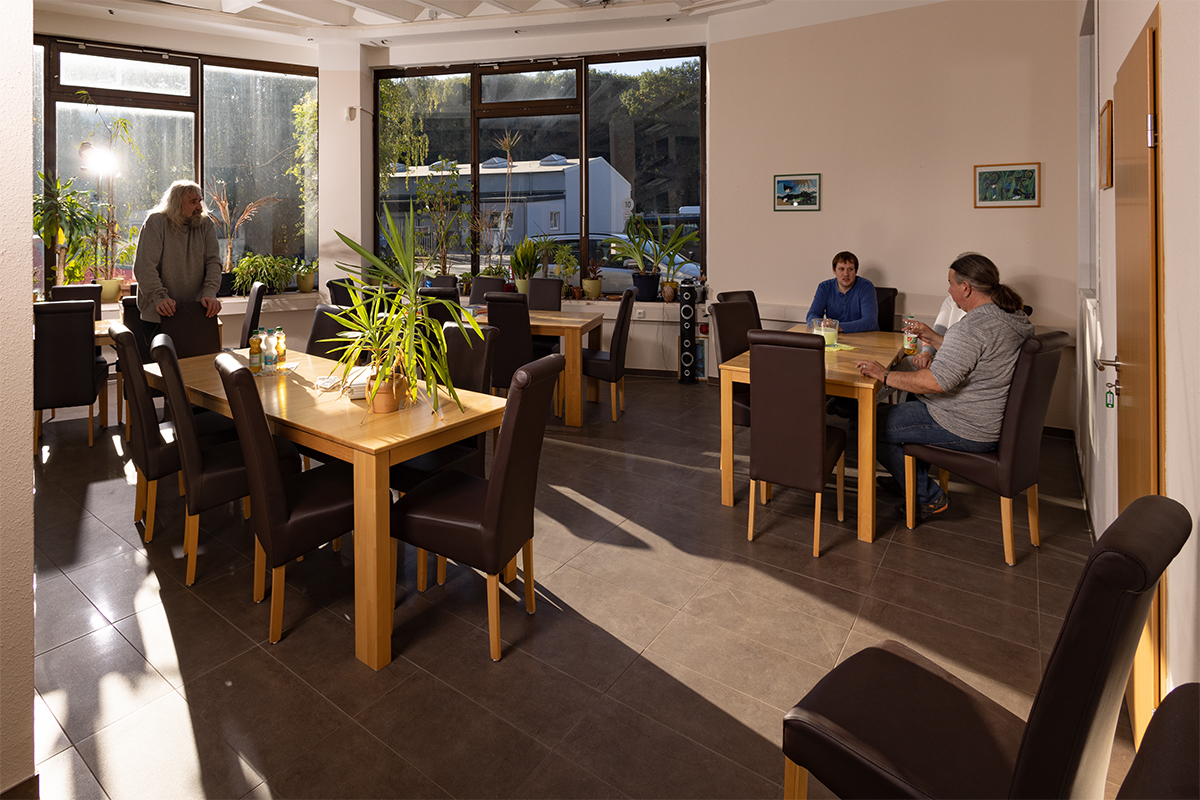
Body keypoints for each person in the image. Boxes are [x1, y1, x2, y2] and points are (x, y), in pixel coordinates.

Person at [856, 253, 1033, 517]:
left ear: (966, 288)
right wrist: (936, 339)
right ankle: (907, 479)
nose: (949, 290)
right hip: (988, 417)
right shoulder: (1011, 318)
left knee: (868, 423)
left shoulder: (972, 327)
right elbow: (979, 356)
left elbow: (935, 382)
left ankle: (928, 496)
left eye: (951, 284)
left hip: (967, 425)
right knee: (912, 399)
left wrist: (884, 375)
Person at [134, 180, 222, 335]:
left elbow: (213, 262)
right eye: (193, 202)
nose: (199, 207)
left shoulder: (205, 224)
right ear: (176, 204)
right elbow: (144, 267)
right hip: (159, 315)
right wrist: (159, 297)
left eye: (199, 201)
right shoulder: (156, 222)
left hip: (197, 311)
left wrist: (210, 293)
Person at [806, 251, 879, 333]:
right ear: (834, 270)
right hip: (834, 336)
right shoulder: (824, 287)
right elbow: (812, 315)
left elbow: (870, 322)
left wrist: (837, 327)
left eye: (850, 269)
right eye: (841, 269)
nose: (846, 274)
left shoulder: (866, 287)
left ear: (856, 271)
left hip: (864, 336)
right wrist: (822, 324)